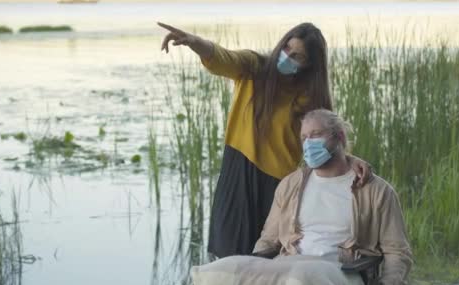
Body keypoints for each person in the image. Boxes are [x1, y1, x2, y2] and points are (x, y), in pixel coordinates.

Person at [190, 109, 413, 285]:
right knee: (218, 271)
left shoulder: (376, 191)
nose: (308, 144)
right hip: (290, 265)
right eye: (304, 138)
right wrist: (252, 270)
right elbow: (269, 239)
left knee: (302, 278)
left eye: (316, 135)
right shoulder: (291, 185)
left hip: (342, 272)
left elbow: (398, 252)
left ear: (340, 138)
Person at [158, 22, 372, 258]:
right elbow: (224, 58)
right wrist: (196, 43)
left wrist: (349, 160)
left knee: (267, 256)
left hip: (277, 184)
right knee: (230, 252)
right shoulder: (254, 68)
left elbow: (328, 135)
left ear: (310, 64)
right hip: (238, 171)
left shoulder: (310, 95)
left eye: (297, 56)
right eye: (286, 48)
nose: (287, 56)